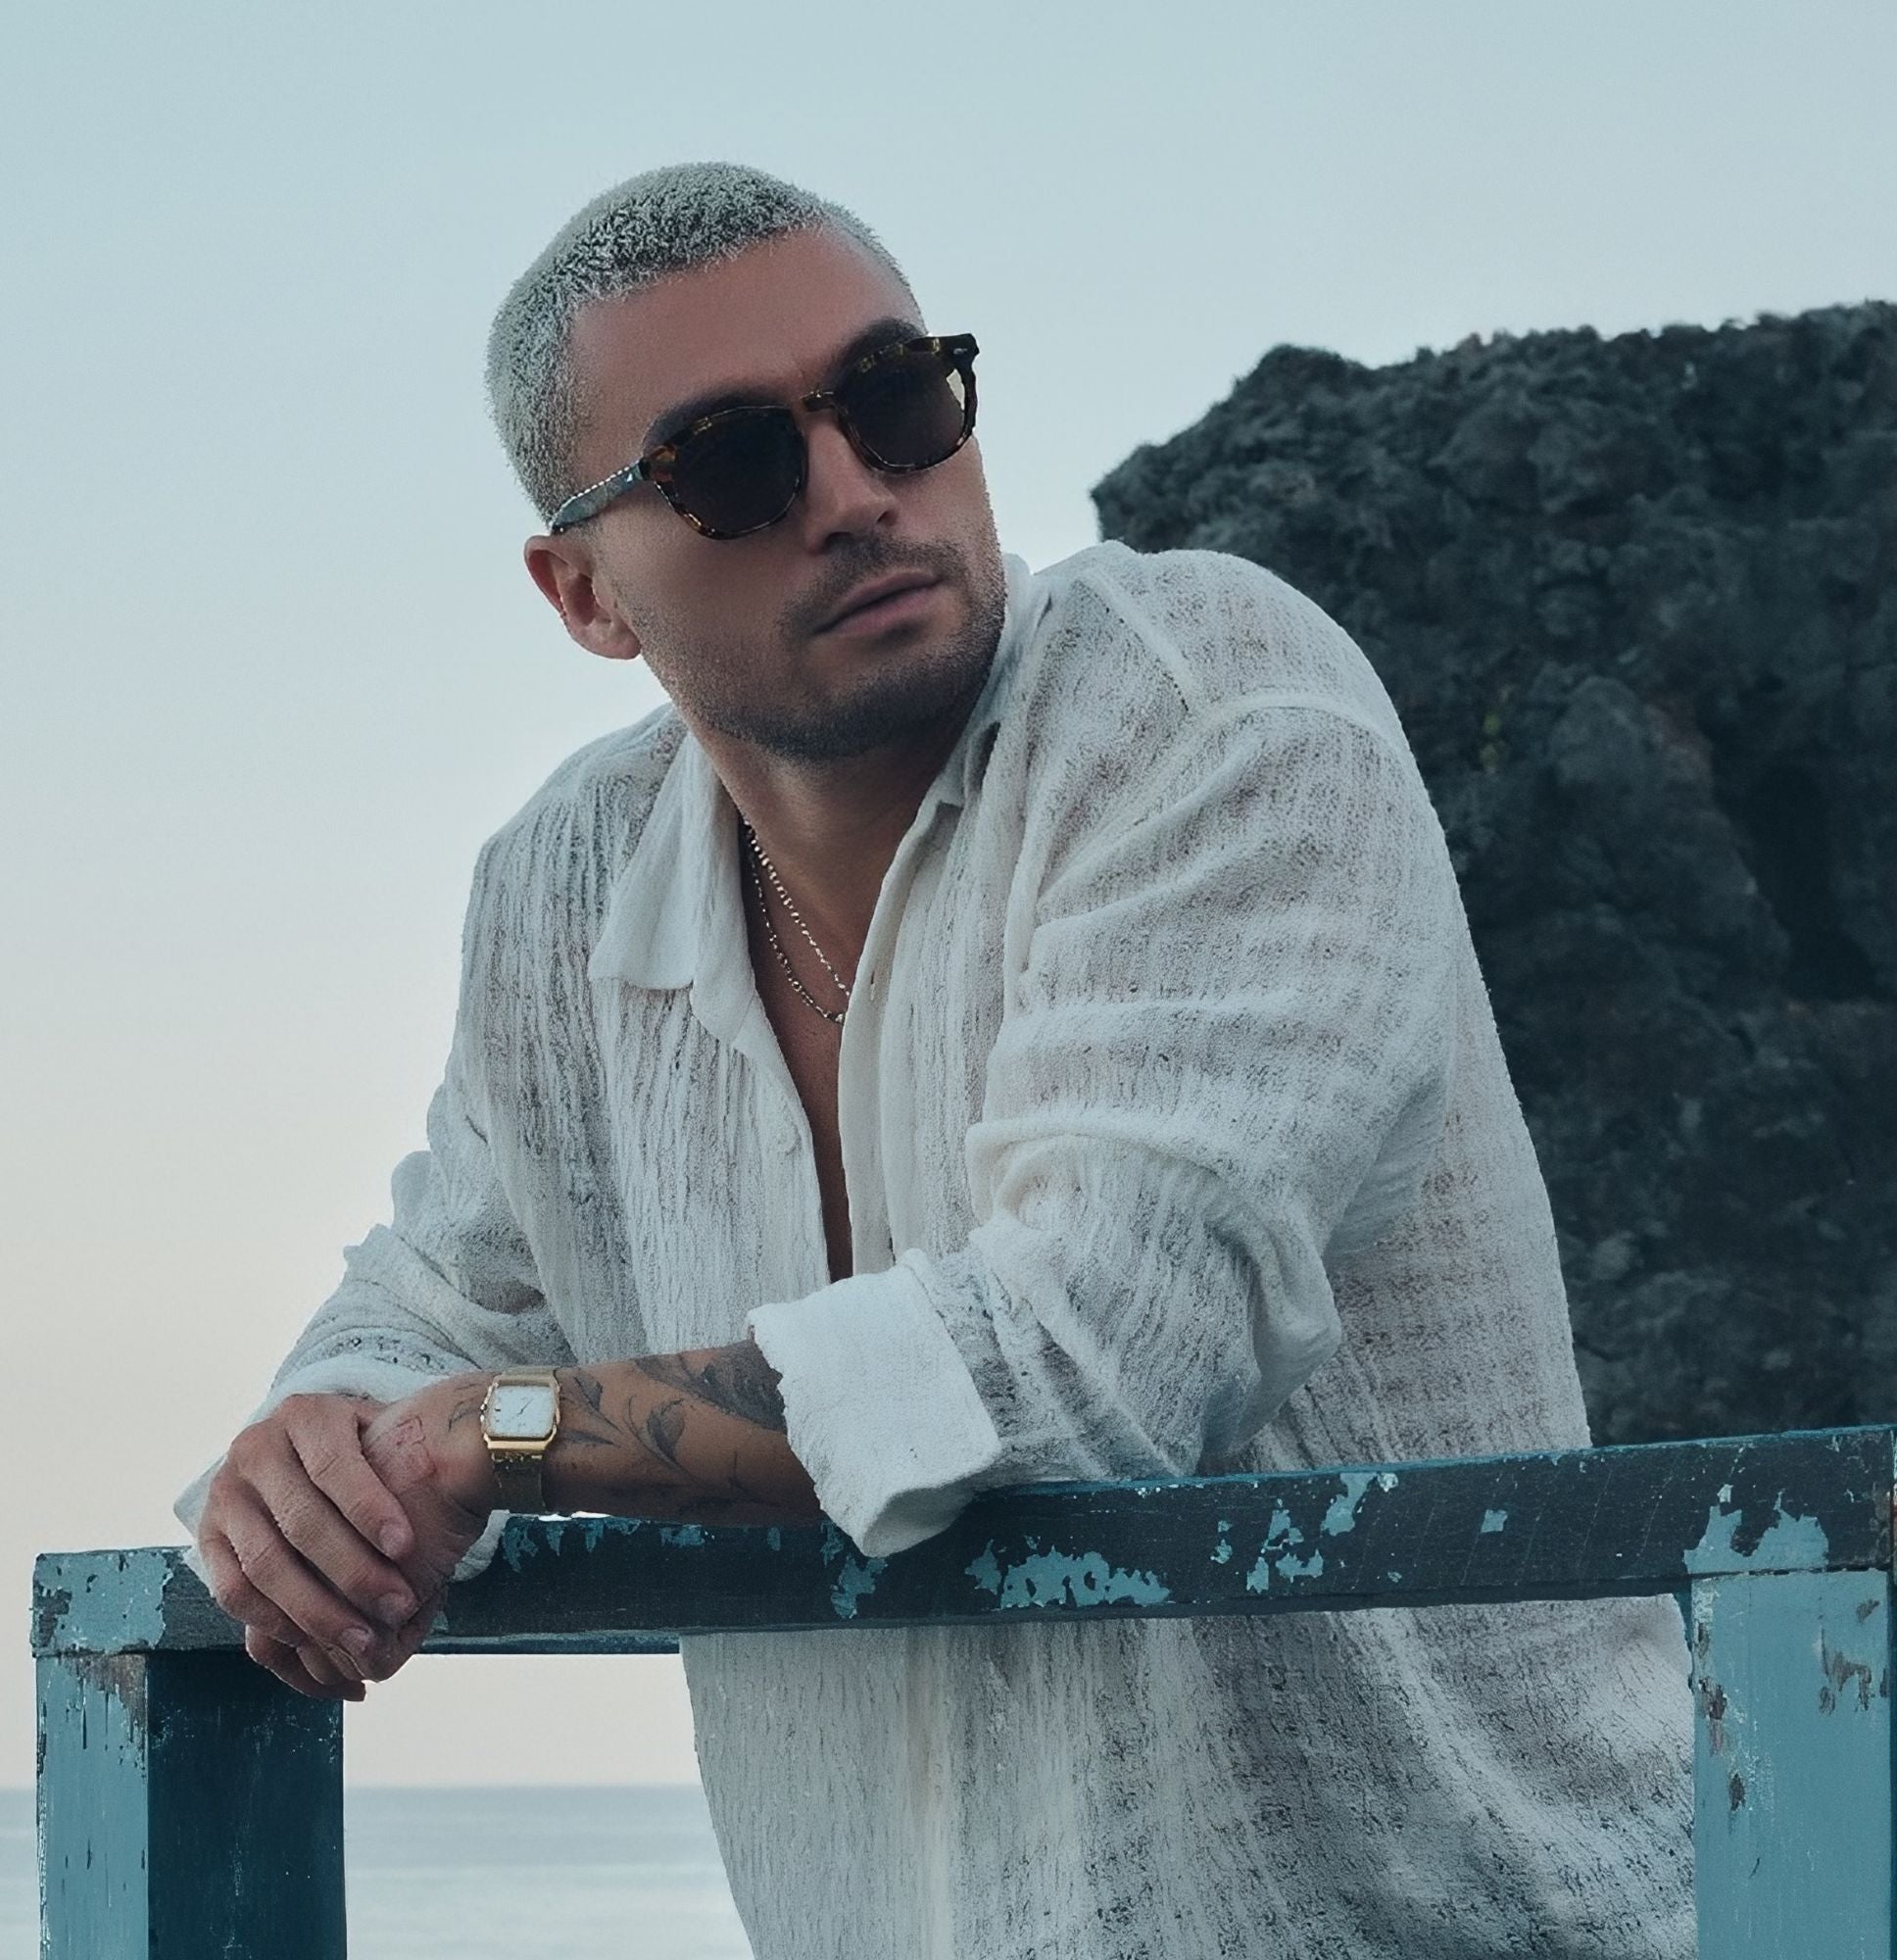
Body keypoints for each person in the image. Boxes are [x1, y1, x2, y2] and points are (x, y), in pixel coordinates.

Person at [178, 162, 1695, 1958]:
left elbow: (1092, 1351)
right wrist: (318, 1449)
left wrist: (482, 1437)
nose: (854, 494)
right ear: (585, 593)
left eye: (895, 399)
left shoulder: (1202, 703)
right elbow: (435, 1298)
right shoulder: (565, 890)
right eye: (734, 462)